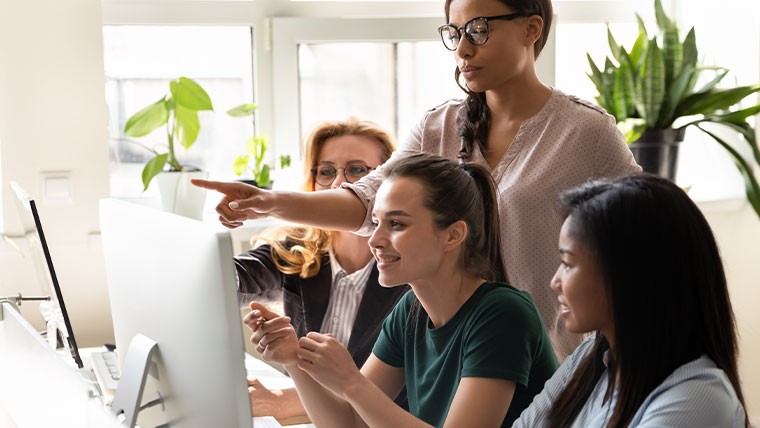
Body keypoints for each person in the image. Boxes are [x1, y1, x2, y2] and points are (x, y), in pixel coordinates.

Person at [193, 0, 641, 358]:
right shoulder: (438, 126)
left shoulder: (585, 133)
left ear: (531, 28)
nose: (464, 49)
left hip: (547, 359)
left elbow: (646, 239)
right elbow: (369, 203)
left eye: (480, 29)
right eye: (456, 33)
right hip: (448, 353)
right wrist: (270, 202)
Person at [245, 153, 558, 428]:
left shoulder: (503, 315)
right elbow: (351, 425)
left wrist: (352, 382)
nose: (375, 239)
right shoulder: (411, 309)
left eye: (396, 224)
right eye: (377, 222)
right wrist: (293, 360)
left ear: (453, 235)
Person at [513, 174, 748, 427]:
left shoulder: (699, 399)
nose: (555, 281)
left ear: (626, 275)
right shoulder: (589, 358)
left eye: (567, 264)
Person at [234, 117, 408, 421]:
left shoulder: (408, 271)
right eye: (326, 171)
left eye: (357, 170)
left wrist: (281, 401)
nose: (339, 184)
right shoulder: (300, 248)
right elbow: (233, 278)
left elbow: (379, 393)